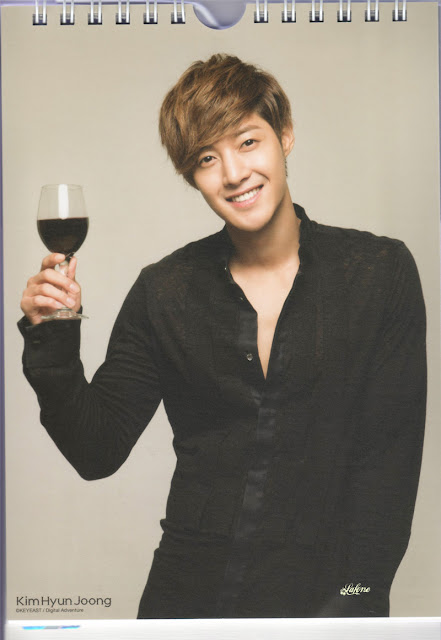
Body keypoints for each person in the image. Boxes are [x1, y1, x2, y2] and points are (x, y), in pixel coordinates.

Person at [19, 54, 426, 618]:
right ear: (192, 176)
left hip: (327, 604)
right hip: (185, 602)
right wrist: (53, 338)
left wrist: (356, 604)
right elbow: (96, 450)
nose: (233, 174)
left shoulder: (379, 274)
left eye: (248, 142)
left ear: (285, 136)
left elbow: (388, 472)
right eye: (207, 158)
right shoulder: (165, 291)